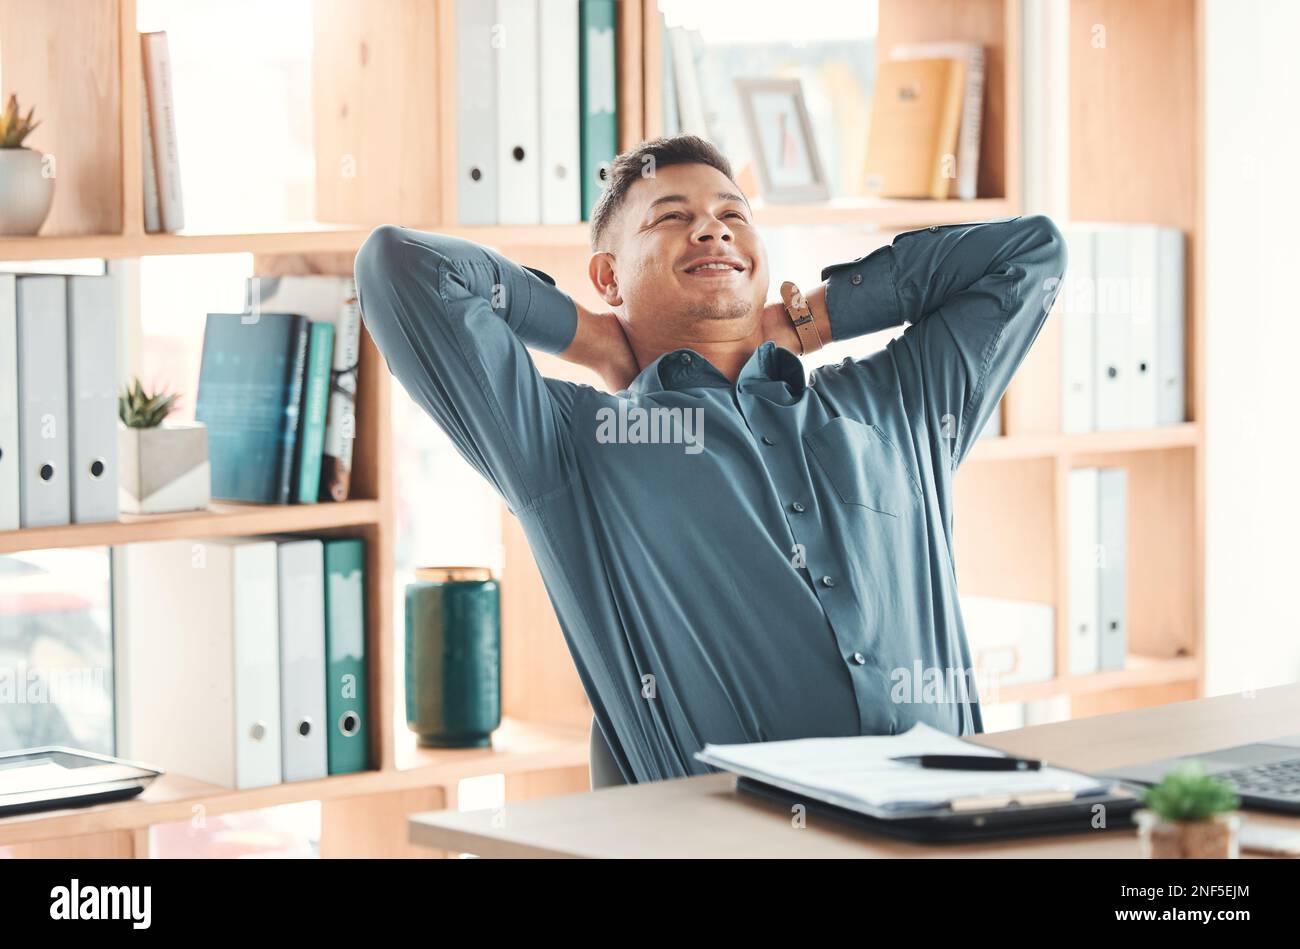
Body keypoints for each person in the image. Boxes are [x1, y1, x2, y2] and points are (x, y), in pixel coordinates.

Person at [354, 134, 1067, 784]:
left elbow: (1029, 256)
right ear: (609, 277)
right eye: (670, 216)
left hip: (963, 821)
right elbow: (401, 269)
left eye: (734, 214)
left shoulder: (898, 403)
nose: (712, 226)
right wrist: (590, 339)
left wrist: (814, 318)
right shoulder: (572, 443)